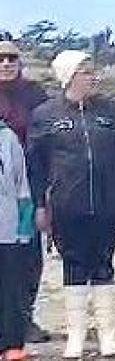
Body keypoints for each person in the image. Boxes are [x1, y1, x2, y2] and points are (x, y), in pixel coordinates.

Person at [28, 50, 115, 359]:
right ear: (69, 76)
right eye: (86, 71)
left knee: (103, 263)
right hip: (66, 206)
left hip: (108, 204)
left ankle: (107, 334)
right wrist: (39, 205)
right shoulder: (46, 114)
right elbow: (36, 166)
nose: (94, 76)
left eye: (93, 71)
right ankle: (76, 335)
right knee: (74, 265)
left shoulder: (110, 110)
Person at [0, 39, 50, 342]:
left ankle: (23, 318)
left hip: (28, 187)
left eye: (12, 58)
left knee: (28, 254)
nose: (6, 63)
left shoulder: (34, 96)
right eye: (1, 58)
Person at [0, 117, 34, 361]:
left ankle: (13, 342)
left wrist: (25, 224)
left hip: (7, 228)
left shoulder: (8, 138)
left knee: (11, 287)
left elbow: (22, 184)